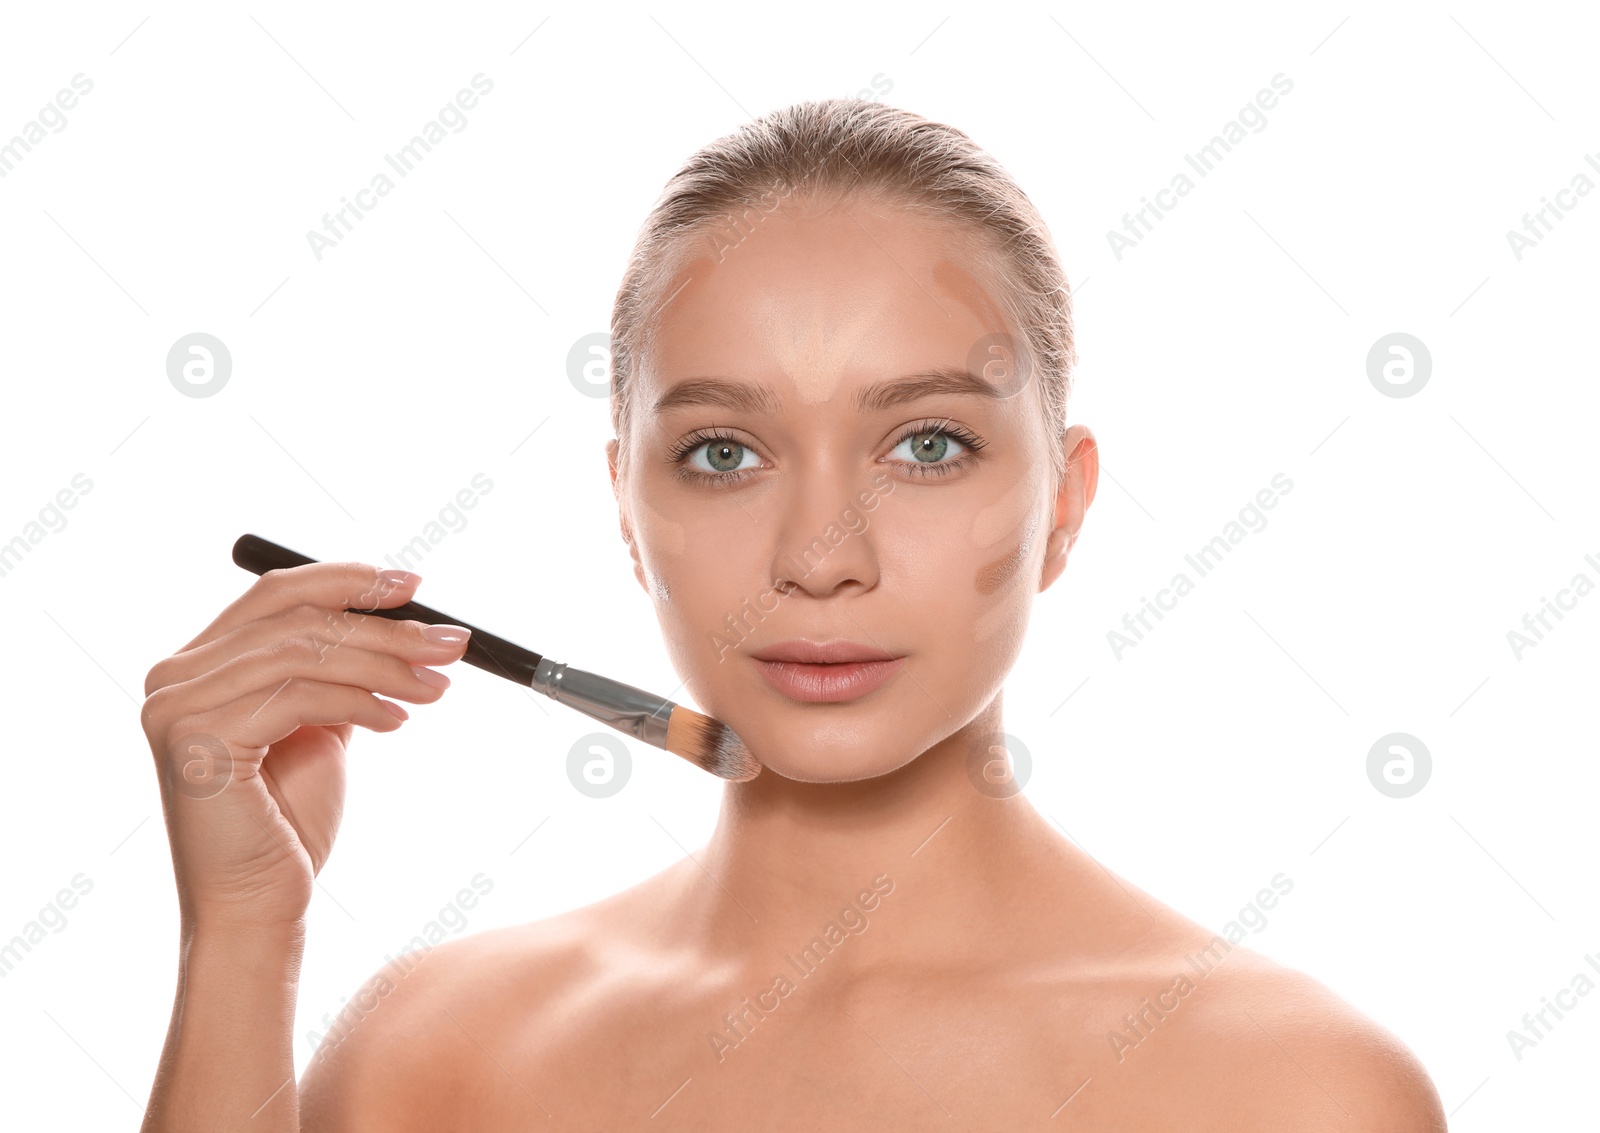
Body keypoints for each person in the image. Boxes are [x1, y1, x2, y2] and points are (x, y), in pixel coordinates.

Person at [140, 98, 1447, 1130]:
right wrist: (242, 939)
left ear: (1063, 503)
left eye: (927, 445)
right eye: (723, 453)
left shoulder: (1293, 1095)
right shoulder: (432, 1053)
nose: (820, 559)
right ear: (624, 505)